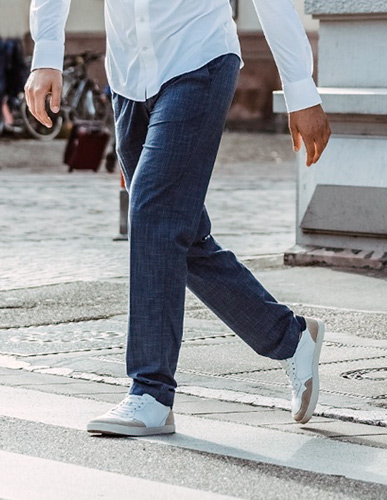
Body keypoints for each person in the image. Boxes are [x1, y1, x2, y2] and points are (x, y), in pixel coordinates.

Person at [26, 0, 331, 436]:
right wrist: (46, 55)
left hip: (199, 59)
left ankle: (150, 391)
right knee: (176, 235)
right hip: (129, 75)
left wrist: (301, 89)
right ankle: (291, 338)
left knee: (154, 215)